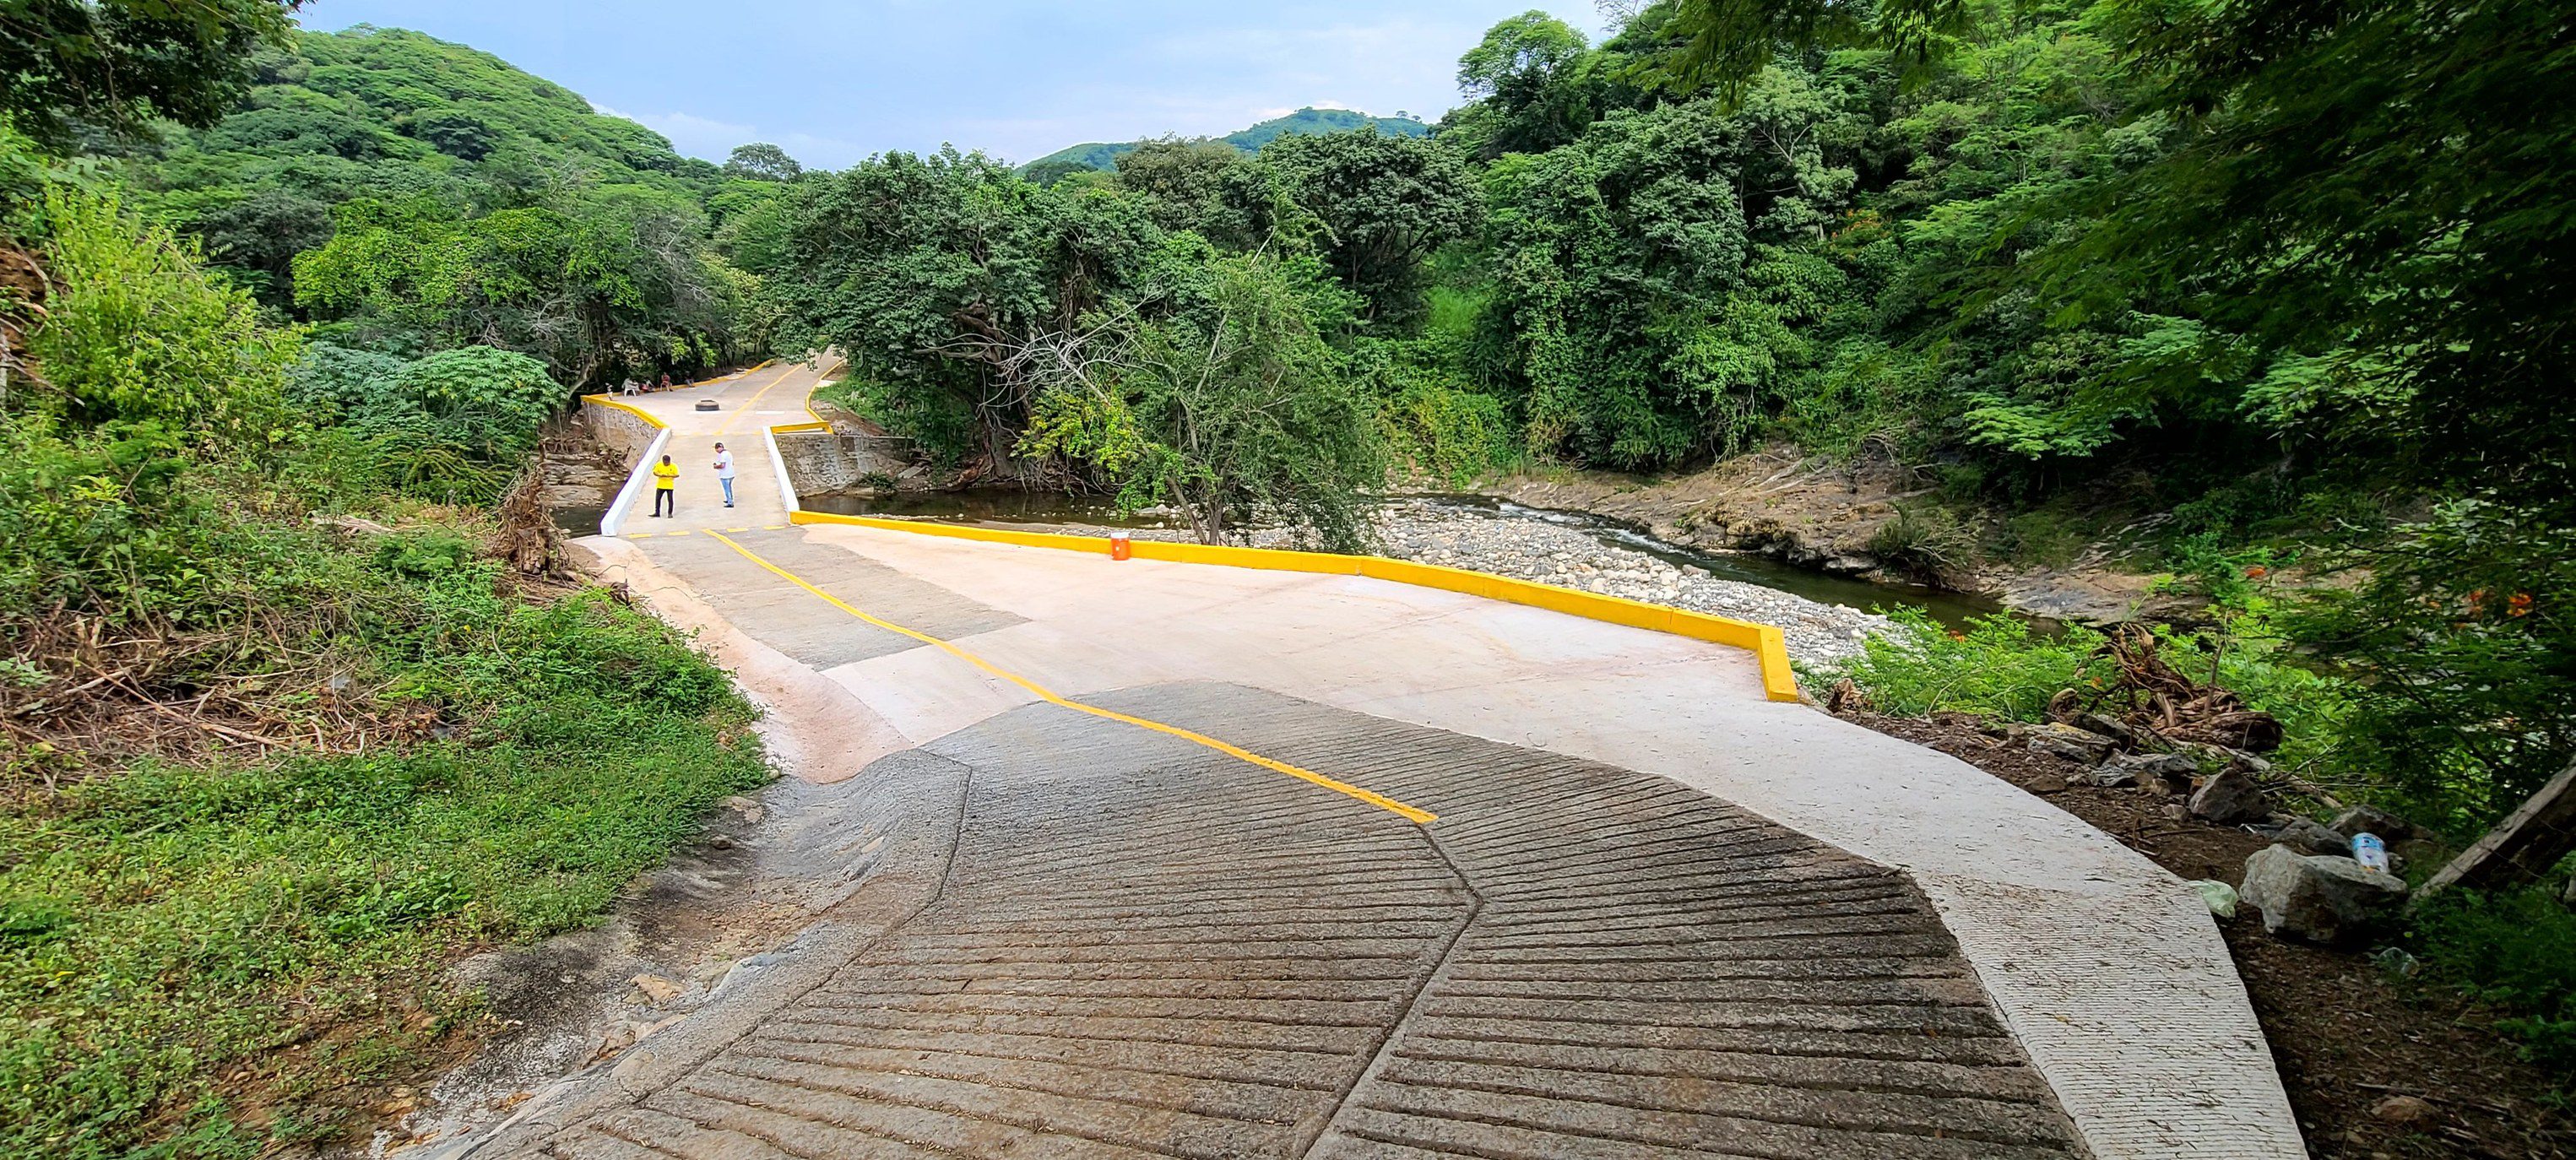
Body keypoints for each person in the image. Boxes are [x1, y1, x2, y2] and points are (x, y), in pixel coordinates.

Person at [651, 453, 677, 517]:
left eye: (668, 462)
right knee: (657, 500)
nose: (666, 463)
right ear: (663, 461)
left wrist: (669, 475)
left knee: (670, 500)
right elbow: (655, 472)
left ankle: (670, 513)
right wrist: (660, 475)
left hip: (669, 486)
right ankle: (657, 513)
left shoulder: (673, 466)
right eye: (665, 462)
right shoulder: (659, 465)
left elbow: (677, 475)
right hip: (660, 485)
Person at [712, 442, 736, 507]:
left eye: (716, 449)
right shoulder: (728, 453)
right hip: (731, 473)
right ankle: (729, 499)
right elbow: (732, 463)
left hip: (725, 475)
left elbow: (722, 466)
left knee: (726, 489)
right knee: (729, 487)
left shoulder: (722, 455)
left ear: (719, 448)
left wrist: (716, 467)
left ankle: (730, 502)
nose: (716, 450)